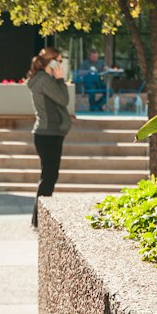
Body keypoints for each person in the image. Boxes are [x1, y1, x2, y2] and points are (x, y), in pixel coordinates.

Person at [28, 47, 72, 229]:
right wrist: (60, 78)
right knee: (49, 177)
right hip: (48, 134)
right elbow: (63, 99)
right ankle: (39, 220)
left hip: (49, 134)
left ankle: (37, 219)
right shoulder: (45, 81)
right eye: (59, 61)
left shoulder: (44, 79)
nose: (61, 65)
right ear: (51, 62)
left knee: (48, 176)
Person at [73, 47, 107, 111]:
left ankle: (97, 105)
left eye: (96, 57)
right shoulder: (85, 63)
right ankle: (93, 108)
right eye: (93, 57)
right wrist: (89, 71)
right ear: (90, 56)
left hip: (99, 83)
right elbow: (79, 73)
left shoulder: (101, 62)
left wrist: (106, 69)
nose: (95, 58)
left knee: (109, 91)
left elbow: (106, 68)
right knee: (92, 91)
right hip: (89, 83)